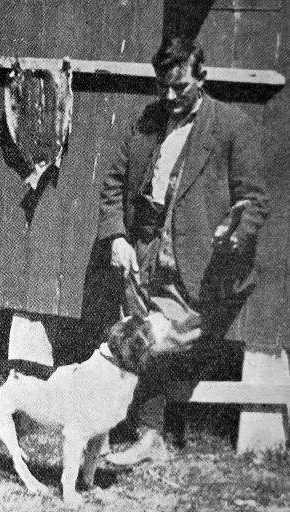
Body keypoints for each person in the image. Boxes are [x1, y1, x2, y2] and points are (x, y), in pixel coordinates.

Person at [97, 37, 268, 465]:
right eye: (163, 87)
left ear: (202, 79)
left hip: (204, 265)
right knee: (138, 332)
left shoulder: (232, 126)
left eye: (181, 88)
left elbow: (254, 201)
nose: (170, 98)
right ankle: (142, 431)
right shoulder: (146, 123)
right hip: (148, 251)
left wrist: (235, 235)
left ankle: (150, 433)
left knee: (160, 340)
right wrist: (118, 237)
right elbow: (114, 185)